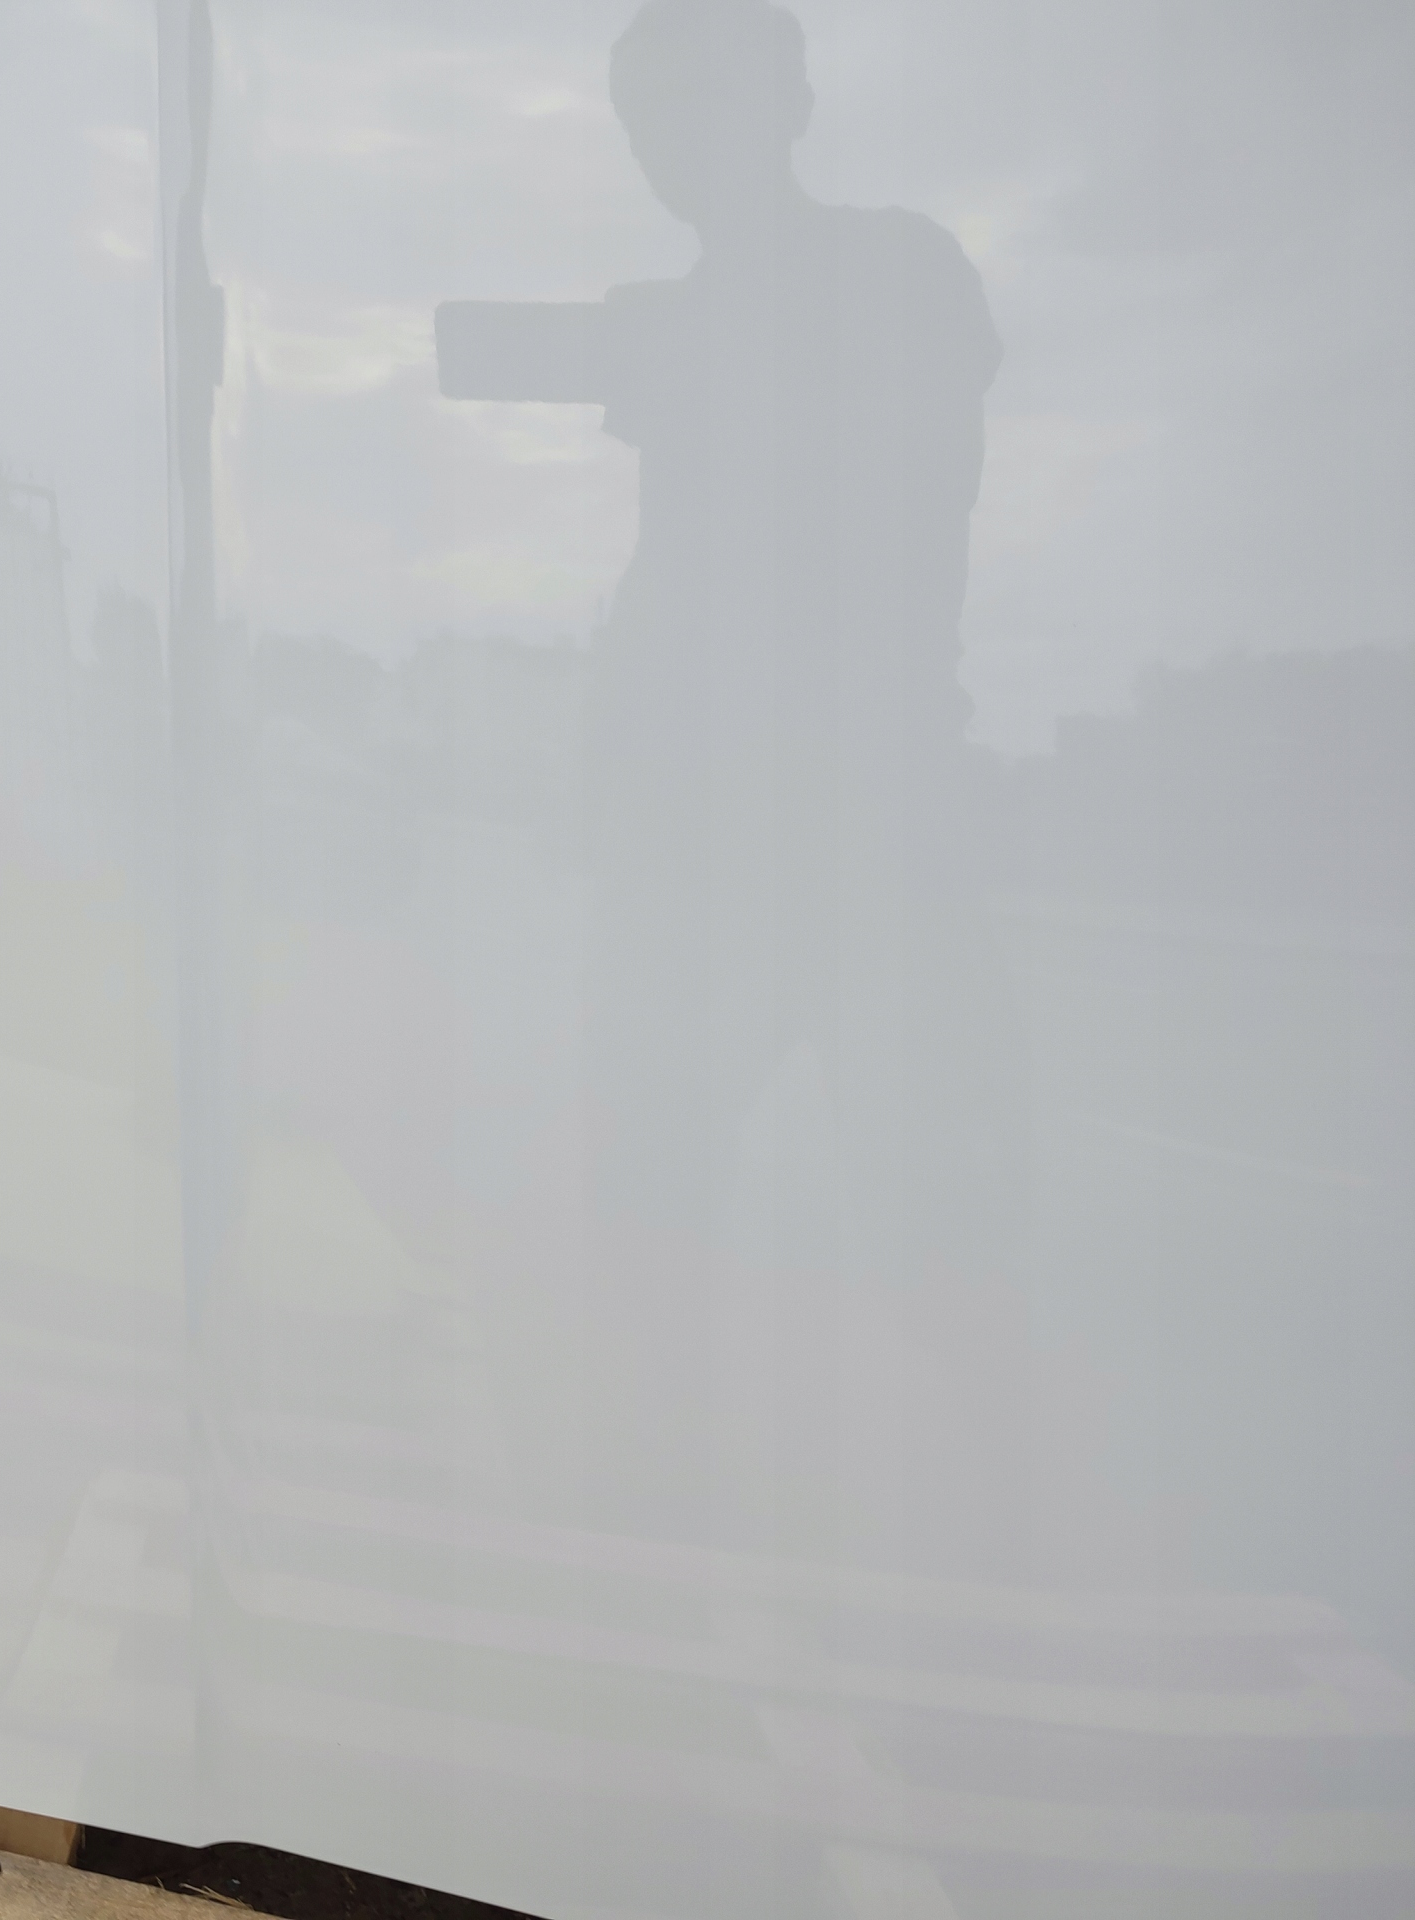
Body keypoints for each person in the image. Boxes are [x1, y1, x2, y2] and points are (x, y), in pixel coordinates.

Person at [443, 0, 1024, 1565]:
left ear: (789, 100)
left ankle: (985, 1537)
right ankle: (660, 1527)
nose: (670, 148)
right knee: (655, 1191)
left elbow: (908, 465)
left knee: (933, 1206)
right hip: (696, 826)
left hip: (862, 818)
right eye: (648, 122)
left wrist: (696, 354)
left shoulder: (896, 275)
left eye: (695, 106)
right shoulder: (706, 312)